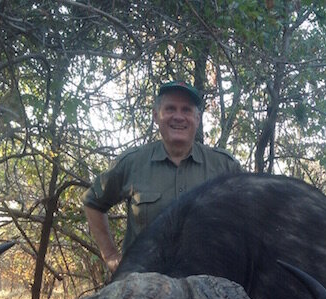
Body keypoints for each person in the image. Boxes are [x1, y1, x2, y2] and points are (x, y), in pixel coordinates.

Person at [83, 81, 243, 272]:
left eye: (186, 110)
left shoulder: (225, 166)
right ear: (156, 116)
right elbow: (93, 203)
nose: (178, 117)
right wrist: (110, 256)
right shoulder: (132, 163)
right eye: (170, 109)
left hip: (208, 288)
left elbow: (247, 222)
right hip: (143, 288)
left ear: (197, 119)